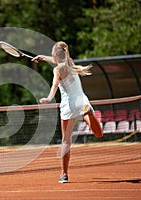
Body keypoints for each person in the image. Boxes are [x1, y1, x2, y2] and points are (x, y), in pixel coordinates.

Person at [32, 41, 103, 183]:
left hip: (68, 105)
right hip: (82, 101)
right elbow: (57, 60)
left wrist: (49, 98)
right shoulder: (70, 62)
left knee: (66, 141)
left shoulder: (57, 70)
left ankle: (64, 174)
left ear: (54, 54)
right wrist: (43, 57)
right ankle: (88, 113)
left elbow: (54, 86)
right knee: (98, 133)